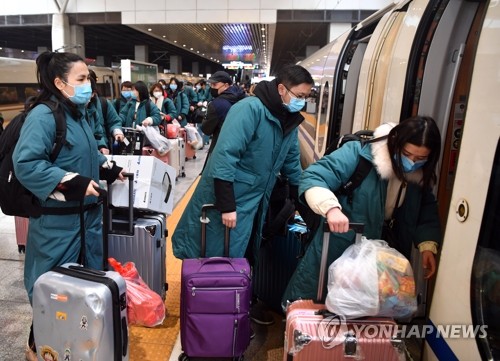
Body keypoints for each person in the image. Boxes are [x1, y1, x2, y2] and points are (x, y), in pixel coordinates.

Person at [172, 64, 314, 325]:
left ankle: (239, 305)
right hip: (225, 200)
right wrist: (226, 205)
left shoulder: (288, 120)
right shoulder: (249, 110)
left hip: (254, 201)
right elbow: (225, 156)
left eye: (307, 97)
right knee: (216, 256)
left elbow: (292, 165)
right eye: (300, 96)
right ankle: (212, 315)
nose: (302, 102)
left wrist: (305, 204)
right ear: (282, 89)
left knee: (245, 254)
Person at [12, 51, 124, 361]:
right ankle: (37, 351)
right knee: (52, 295)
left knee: (76, 298)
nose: (89, 85)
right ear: (60, 83)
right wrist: (70, 182)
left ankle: (68, 349)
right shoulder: (44, 116)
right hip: (56, 227)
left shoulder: (78, 114)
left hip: (85, 223)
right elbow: (27, 164)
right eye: (82, 79)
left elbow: (84, 155)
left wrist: (107, 167)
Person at [282, 116, 442, 306]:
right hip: (340, 245)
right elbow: (313, 176)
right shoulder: (359, 154)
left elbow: (425, 209)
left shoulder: (419, 176)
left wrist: (427, 245)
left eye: (420, 159)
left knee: (369, 310)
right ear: (395, 142)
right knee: (318, 302)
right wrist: (331, 208)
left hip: (386, 253)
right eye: (407, 154)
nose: (412, 162)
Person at [201, 70, 246, 166]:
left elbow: (207, 129)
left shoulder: (216, 104)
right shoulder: (243, 99)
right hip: (241, 147)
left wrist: (205, 117)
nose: (212, 88)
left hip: (221, 147)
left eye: (215, 85)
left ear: (226, 85)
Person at [87, 70, 124, 154]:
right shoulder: (72, 106)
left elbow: (114, 121)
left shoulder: (103, 103)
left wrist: (117, 131)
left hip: (103, 149)